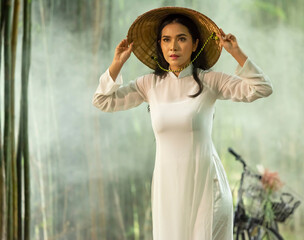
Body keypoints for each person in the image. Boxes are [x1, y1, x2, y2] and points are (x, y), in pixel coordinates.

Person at [92, 6, 273, 240]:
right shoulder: (150, 85)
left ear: (195, 44)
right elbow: (102, 101)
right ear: (160, 45)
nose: (173, 47)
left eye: (181, 39)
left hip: (207, 187)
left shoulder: (210, 81)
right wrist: (117, 63)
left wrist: (235, 52)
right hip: (168, 189)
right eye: (166, 40)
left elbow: (262, 88)